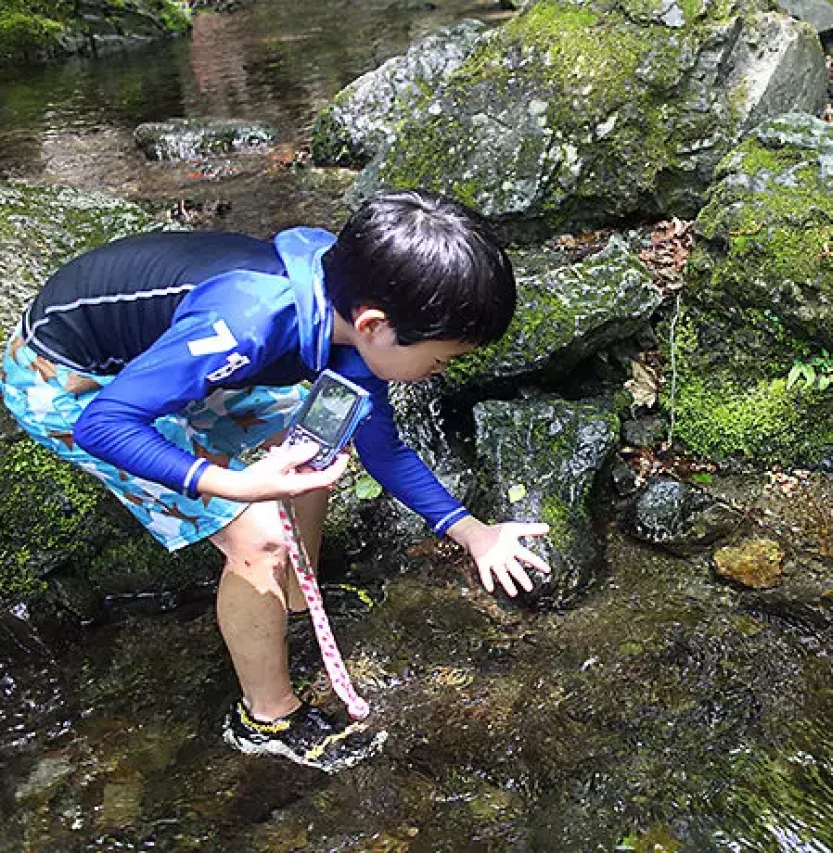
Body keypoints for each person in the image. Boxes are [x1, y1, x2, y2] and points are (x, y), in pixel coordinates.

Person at [1, 190, 550, 772]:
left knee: (317, 440)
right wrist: (232, 485)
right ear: (376, 325)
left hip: (169, 363)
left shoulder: (349, 316)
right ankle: (266, 718)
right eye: (441, 359)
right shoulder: (248, 319)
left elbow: (380, 447)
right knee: (256, 536)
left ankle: (293, 601)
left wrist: (471, 532)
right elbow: (104, 425)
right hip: (74, 383)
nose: (442, 370)